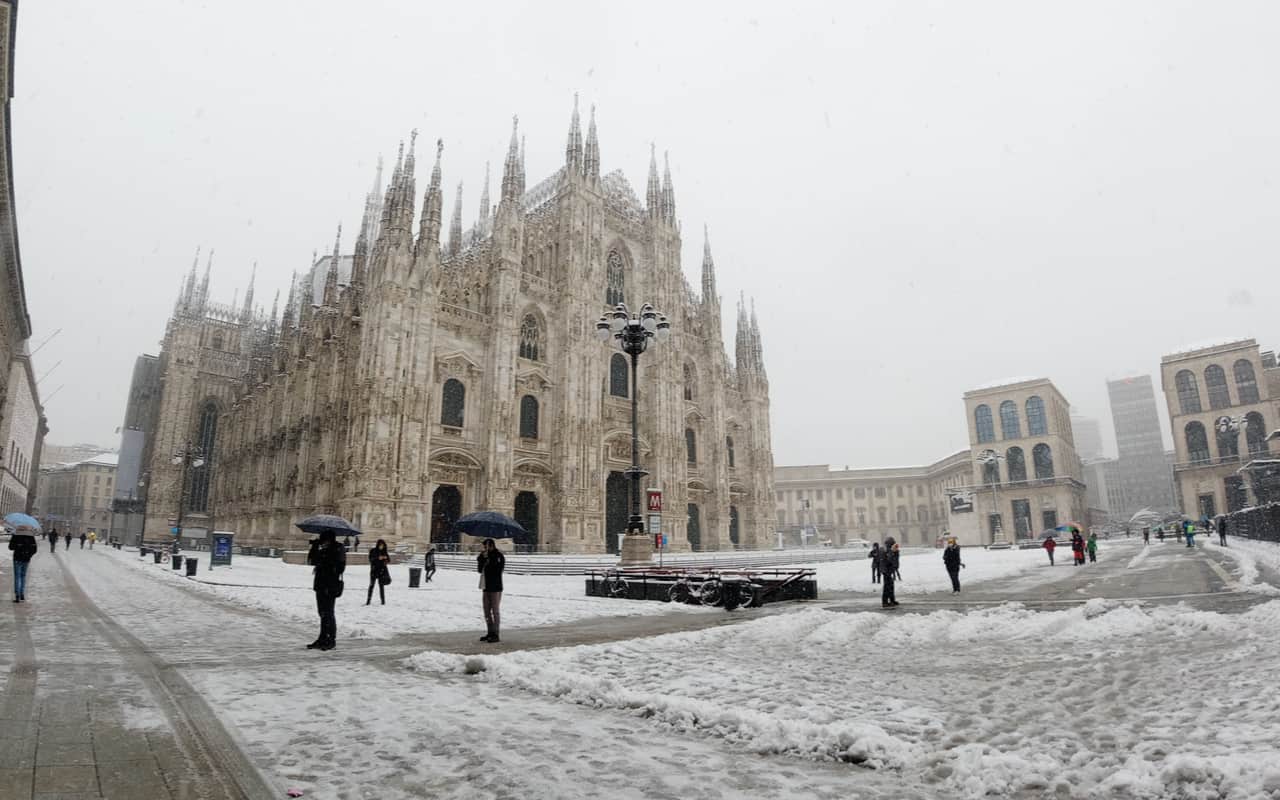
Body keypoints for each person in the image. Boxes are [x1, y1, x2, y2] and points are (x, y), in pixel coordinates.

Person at [306, 529, 346, 651]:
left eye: (324, 539)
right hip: (320, 584)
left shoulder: (338, 548)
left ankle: (330, 639)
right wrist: (314, 547)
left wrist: (326, 560)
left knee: (328, 613)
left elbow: (340, 567)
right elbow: (311, 561)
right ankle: (322, 638)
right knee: (322, 613)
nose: (323, 541)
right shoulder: (321, 548)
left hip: (330, 584)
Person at [478, 538, 506, 642]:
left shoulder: (498, 556)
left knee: (495, 611)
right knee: (486, 611)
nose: (485, 548)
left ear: (491, 546)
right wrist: (482, 559)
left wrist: (489, 560)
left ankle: (496, 634)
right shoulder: (484, 556)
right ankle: (490, 631)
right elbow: (480, 570)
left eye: (486, 546)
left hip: (496, 587)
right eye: (484, 547)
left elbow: (498, 570)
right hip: (486, 586)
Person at [8, 528, 39, 602]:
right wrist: (29, 555)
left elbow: (10, 547)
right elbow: (35, 549)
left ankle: (17, 595)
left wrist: (17, 545)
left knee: (17, 577)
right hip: (26, 559)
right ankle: (22, 594)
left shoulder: (16, 535)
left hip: (17, 559)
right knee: (23, 576)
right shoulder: (31, 536)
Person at [366, 539, 391, 605]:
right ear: (378, 545)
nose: (381, 546)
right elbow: (371, 559)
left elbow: (389, 560)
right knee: (371, 586)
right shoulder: (373, 551)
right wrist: (378, 558)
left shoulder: (384, 552)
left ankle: (383, 601)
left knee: (381, 587)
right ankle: (368, 600)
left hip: (381, 571)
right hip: (374, 571)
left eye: (383, 545)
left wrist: (385, 559)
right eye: (380, 545)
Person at [879, 537, 899, 607]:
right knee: (887, 587)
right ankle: (884, 602)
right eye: (892, 544)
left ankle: (892, 600)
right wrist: (892, 552)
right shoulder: (884, 550)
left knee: (891, 586)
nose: (893, 545)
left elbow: (895, 561)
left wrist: (896, 552)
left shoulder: (889, 550)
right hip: (885, 570)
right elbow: (888, 560)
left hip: (889, 570)